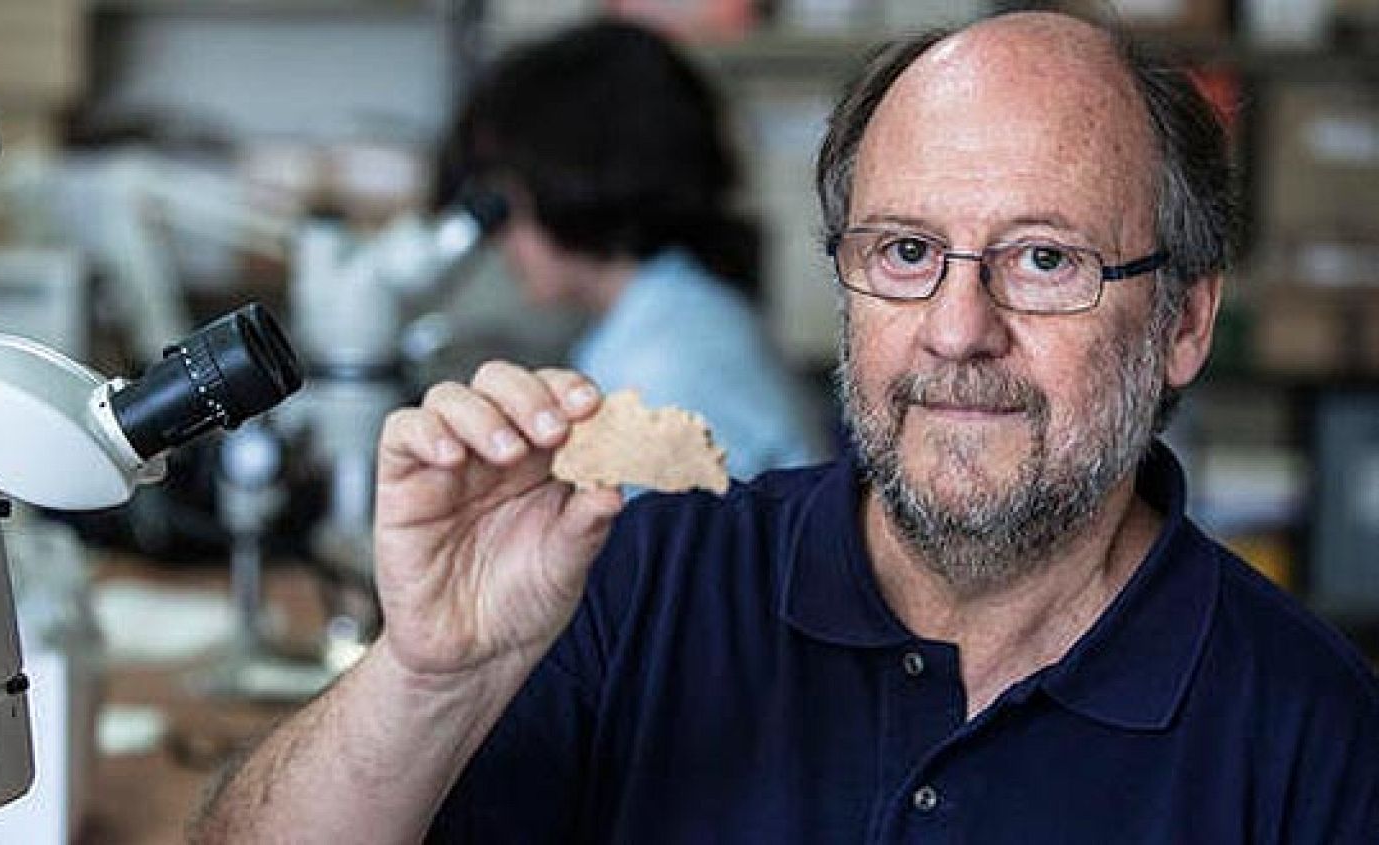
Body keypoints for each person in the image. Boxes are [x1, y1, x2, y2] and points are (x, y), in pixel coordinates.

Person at [195, 11, 1379, 842]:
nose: (957, 329)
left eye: (1043, 258)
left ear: (1181, 323)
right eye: (906, 251)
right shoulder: (632, 577)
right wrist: (429, 675)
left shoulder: (1318, 738)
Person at [432, 20, 830, 483]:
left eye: (502, 205)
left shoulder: (665, 363)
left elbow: (655, 550)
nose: (500, 240)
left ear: (575, 177)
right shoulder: (674, 312)